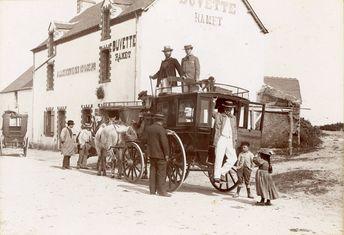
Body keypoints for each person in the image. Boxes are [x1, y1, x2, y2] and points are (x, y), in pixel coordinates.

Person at [145, 113, 171, 197]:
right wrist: (167, 154)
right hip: (160, 155)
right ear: (162, 121)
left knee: (152, 171)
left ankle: (152, 190)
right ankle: (162, 192)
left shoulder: (149, 128)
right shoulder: (161, 130)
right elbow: (164, 143)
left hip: (152, 154)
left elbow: (145, 140)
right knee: (161, 173)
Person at [212, 100, 238, 183]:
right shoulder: (219, 115)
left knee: (233, 158)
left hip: (230, 139)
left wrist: (235, 140)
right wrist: (213, 102)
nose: (229, 109)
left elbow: (234, 130)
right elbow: (211, 112)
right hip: (221, 138)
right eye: (227, 108)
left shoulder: (233, 118)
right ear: (224, 108)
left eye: (230, 108)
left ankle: (222, 172)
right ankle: (216, 176)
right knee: (219, 157)